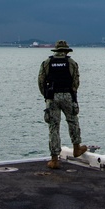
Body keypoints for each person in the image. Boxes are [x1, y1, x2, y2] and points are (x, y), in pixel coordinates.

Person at [38, 40, 88, 169]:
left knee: (54, 127)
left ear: (56, 51)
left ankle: (54, 159)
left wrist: (46, 95)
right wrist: (72, 94)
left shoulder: (47, 63)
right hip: (67, 95)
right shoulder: (71, 63)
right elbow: (76, 81)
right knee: (73, 121)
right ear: (66, 51)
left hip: (52, 96)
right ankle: (76, 148)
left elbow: (41, 81)